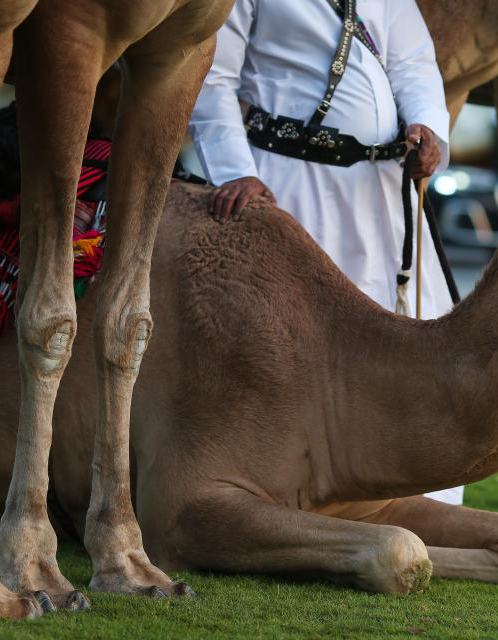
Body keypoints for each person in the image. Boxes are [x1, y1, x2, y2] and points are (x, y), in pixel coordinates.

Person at [188, 0, 462, 505]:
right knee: (300, 346)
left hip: (383, 191)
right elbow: (210, 76)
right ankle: (297, 492)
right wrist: (233, 171)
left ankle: (411, 497)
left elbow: (413, 63)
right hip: (290, 186)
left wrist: (429, 131)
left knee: (406, 339)